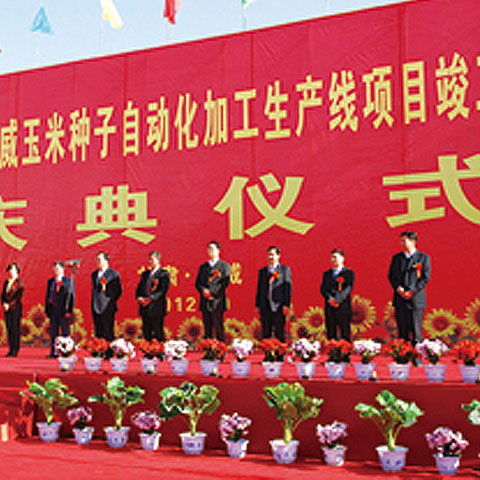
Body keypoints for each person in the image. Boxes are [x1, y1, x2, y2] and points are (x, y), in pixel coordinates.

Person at [388, 230, 431, 365]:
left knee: (416, 330)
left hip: (416, 299)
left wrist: (412, 290)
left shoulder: (423, 258)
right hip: (400, 298)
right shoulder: (397, 258)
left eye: (404, 240)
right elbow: (391, 276)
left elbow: (425, 278)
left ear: (413, 241)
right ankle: (403, 358)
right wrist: (398, 288)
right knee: (402, 330)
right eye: (401, 240)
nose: (402, 243)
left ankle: (417, 357)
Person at [195, 241, 230, 342]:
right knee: (207, 327)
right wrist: (203, 291)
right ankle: (208, 348)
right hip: (205, 301)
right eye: (208, 249)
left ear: (218, 250)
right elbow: (198, 283)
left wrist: (211, 292)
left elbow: (224, 283)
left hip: (217, 301)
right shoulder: (203, 267)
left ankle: (221, 348)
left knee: (219, 326)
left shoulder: (224, 266)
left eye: (212, 248)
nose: (210, 251)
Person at [255, 246, 292, 342]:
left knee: (279, 332)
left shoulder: (284, 270)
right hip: (265, 305)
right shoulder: (262, 271)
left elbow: (287, 288)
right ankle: (267, 351)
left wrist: (286, 304)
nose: (270, 257)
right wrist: (257, 305)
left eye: (272, 255)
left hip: (278, 305)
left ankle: (281, 351)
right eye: (269, 255)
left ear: (278, 256)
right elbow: (259, 289)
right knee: (266, 332)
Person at [320, 249, 355, 342]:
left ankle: (346, 350)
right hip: (330, 307)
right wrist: (330, 299)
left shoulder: (348, 273)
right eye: (331, 257)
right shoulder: (326, 274)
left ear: (342, 258)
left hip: (343, 307)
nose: (333, 259)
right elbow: (323, 289)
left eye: (335, 257)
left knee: (345, 334)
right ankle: (331, 350)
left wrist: (337, 300)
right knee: (331, 334)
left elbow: (348, 288)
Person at [90, 252, 122, 354]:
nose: (97, 262)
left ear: (106, 260)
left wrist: (109, 299)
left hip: (108, 307)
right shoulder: (94, 274)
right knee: (98, 331)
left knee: (108, 331)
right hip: (96, 306)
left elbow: (118, 291)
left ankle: (109, 352)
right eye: (97, 260)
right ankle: (98, 351)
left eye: (100, 259)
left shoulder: (113, 274)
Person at [135, 251, 170, 341]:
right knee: (146, 332)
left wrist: (150, 299)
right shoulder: (145, 274)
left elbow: (162, 290)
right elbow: (139, 288)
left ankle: (159, 348)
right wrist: (139, 297)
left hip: (157, 307)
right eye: (149, 259)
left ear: (158, 260)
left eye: (152, 259)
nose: (150, 261)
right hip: (145, 307)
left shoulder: (164, 274)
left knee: (158, 332)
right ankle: (147, 349)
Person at [45, 261, 75, 358]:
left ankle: (67, 352)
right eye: (55, 268)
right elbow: (47, 296)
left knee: (65, 332)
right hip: (53, 310)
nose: (56, 270)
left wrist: (69, 310)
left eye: (58, 268)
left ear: (63, 269)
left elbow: (71, 297)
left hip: (63, 310)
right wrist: (47, 309)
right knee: (54, 332)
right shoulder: (50, 281)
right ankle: (54, 352)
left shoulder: (68, 281)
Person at [2, 263, 24, 357]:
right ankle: (10, 348)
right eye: (10, 270)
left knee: (15, 328)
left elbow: (18, 297)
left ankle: (15, 349)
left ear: (17, 271)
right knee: (9, 328)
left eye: (13, 270)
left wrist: (9, 305)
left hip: (15, 308)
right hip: (7, 309)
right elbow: (3, 294)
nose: (11, 272)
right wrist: (4, 303)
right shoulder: (7, 282)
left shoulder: (19, 282)